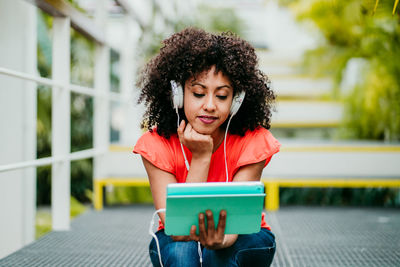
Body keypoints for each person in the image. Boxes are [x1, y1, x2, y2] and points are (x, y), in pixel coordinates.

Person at [133, 27, 280, 267]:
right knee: (182, 254)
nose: (210, 105)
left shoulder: (253, 141)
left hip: (244, 236)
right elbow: (178, 229)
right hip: (176, 239)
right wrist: (201, 157)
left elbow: (234, 228)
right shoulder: (155, 145)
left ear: (236, 101)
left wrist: (219, 241)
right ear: (177, 94)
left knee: (216, 256)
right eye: (199, 93)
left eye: (222, 96)